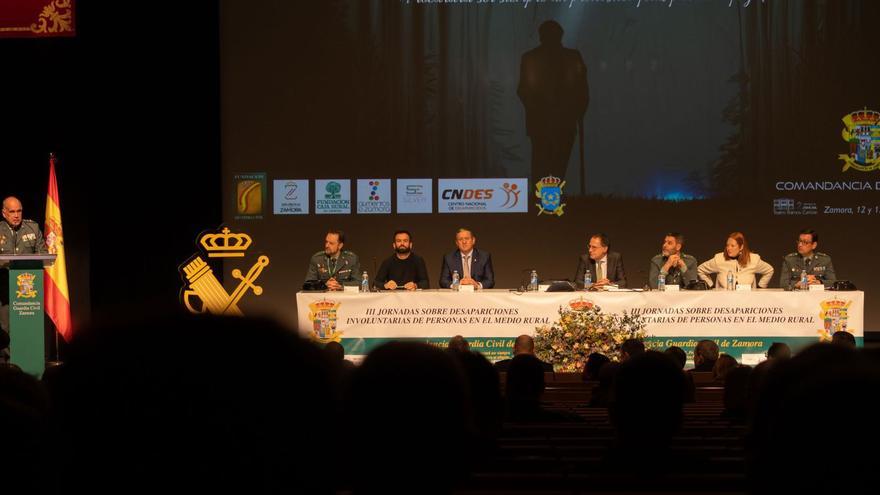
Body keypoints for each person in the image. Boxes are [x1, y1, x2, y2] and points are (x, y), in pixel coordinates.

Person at [517, 20, 589, 185]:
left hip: (549, 121)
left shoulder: (530, 58)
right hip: (558, 121)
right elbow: (583, 90)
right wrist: (578, 111)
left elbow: (523, 90)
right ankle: (550, 201)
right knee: (556, 165)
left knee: (547, 164)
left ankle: (543, 201)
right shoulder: (572, 57)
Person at [1, 197, 49, 362]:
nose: (16, 215)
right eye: (12, 211)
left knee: (28, 326)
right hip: (4, 288)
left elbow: (43, 254)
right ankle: (7, 365)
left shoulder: (32, 228)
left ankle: (30, 360)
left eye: (19, 211)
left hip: (28, 288)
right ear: (4, 213)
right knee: (5, 328)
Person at [697, 232, 774, 289]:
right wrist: (711, 286)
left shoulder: (753, 259)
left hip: (747, 302)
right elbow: (700, 269)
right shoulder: (719, 259)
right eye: (727, 245)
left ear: (741, 247)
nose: (728, 248)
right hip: (723, 302)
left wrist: (760, 288)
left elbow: (769, 270)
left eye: (732, 246)